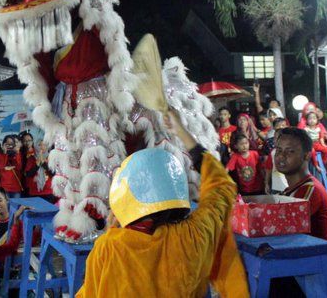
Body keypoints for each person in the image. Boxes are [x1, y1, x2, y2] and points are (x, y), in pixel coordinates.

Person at [77, 109, 248, 297]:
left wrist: (113, 229)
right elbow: (221, 187)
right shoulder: (194, 235)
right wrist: (181, 131)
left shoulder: (109, 247)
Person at [275, 127, 327, 240]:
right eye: (278, 150)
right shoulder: (290, 189)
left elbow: (282, 227)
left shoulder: (311, 190)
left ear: (307, 155)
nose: (281, 156)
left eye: (290, 151)